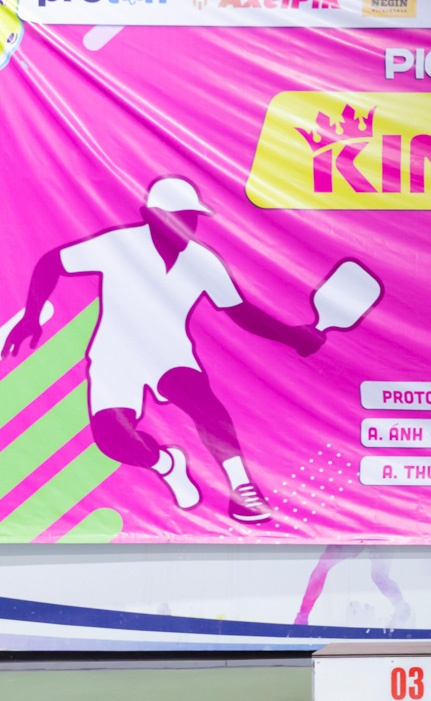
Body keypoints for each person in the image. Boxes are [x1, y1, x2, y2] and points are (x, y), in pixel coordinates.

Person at [2, 177, 323, 523]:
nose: (185, 224)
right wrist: (31, 316)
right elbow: (52, 262)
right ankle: (166, 464)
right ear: (150, 216)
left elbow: (240, 312)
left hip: (170, 354)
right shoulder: (119, 245)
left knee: (204, 405)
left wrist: (293, 337)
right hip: (114, 357)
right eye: (176, 216)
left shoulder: (203, 260)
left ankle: (242, 487)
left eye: (190, 217)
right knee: (111, 441)